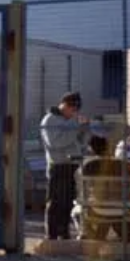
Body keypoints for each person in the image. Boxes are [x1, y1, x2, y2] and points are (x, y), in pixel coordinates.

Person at [40, 92, 88, 240]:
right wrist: (75, 128)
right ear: (65, 105)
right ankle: (52, 234)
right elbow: (56, 142)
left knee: (68, 202)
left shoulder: (71, 121)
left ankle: (64, 231)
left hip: (72, 165)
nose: (74, 113)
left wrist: (84, 130)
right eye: (73, 110)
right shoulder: (50, 120)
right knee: (55, 201)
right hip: (58, 165)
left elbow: (79, 142)